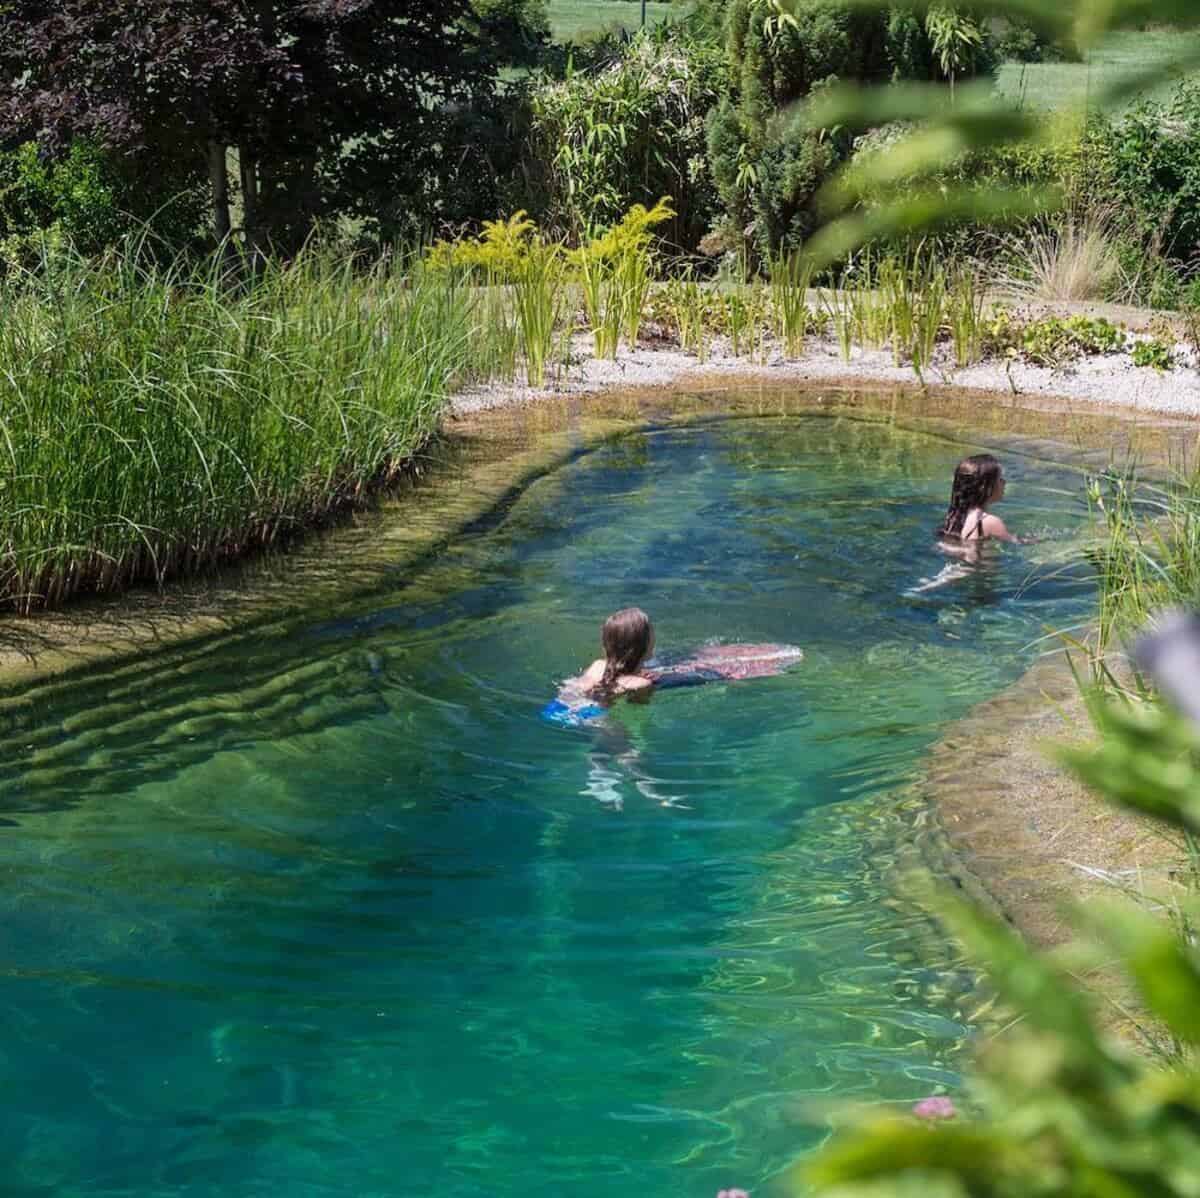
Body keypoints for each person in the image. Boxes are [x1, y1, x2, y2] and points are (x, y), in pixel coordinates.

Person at [541, 607, 656, 727]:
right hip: (588, 715)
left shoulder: (598, 665)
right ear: (644, 644)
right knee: (635, 743)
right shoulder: (642, 684)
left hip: (556, 708)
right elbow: (637, 716)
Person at [938, 453, 1019, 549]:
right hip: (980, 564)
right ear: (985, 488)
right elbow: (1017, 543)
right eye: (1000, 479)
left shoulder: (952, 519)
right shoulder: (991, 522)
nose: (1004, 482)